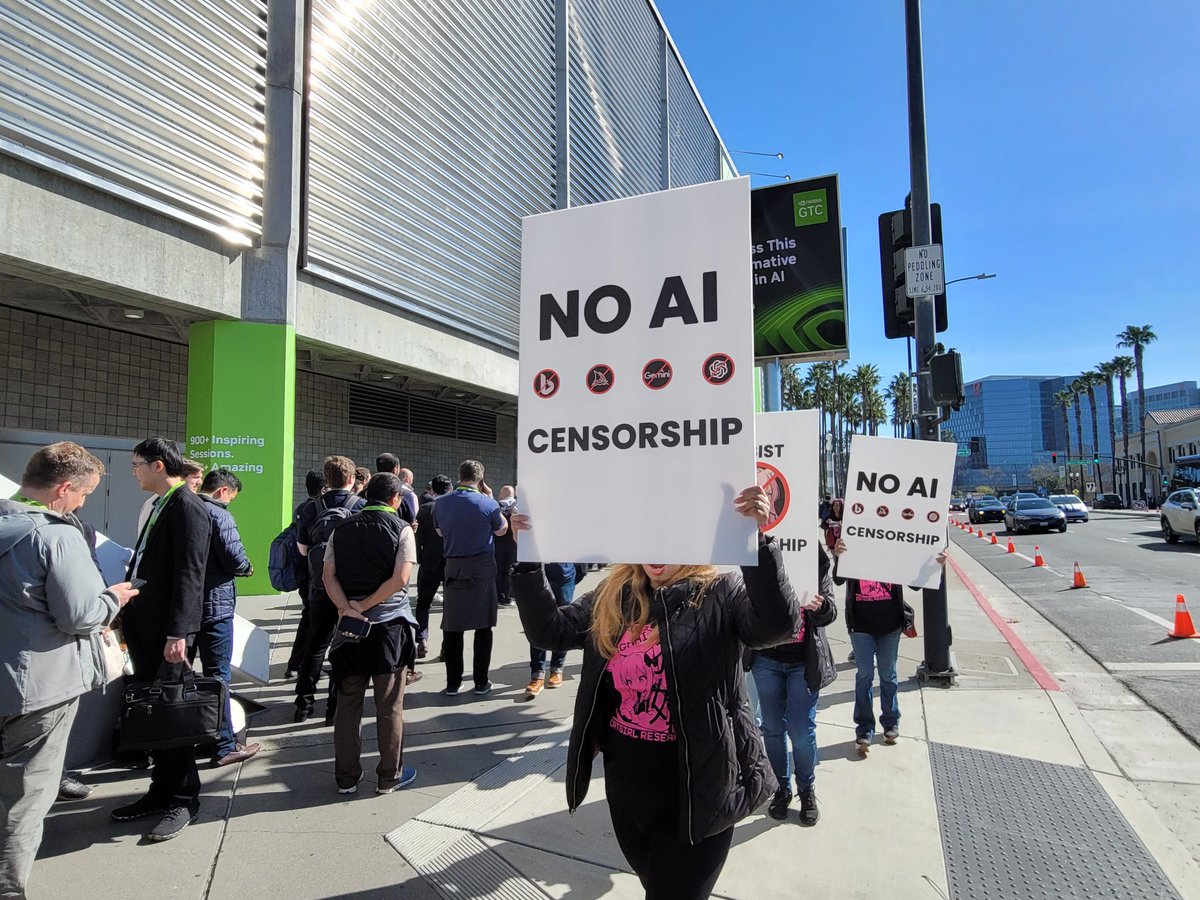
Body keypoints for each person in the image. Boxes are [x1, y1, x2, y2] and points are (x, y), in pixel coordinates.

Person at [510, 486, 800, 900]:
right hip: (628, 784)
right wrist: (528, 562)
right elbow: (549, 631)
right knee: (656, 882)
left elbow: (777, 626)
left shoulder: (721, 592)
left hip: (700, 784)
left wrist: (759, 542)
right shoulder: (614, 595)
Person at [1, 443, 138, 898]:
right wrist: (113, 598)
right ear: (63, 489)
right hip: (36, 687)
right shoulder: (56, 535)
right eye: (83, 495)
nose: (83, 503)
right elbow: (79, 615)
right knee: (24, 798)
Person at [112, 437, 211, 842]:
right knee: (154, 712)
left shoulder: (188, 506)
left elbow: (192, 573)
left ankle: (183, 798)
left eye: (136, 464)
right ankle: (160, 789)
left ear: (157, 465)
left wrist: (180, 633)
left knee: (173, 713)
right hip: (145, 626)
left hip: (167, 632)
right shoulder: (159, 505)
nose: (132, 471)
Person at [323, 473, 419, 794]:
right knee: (389, 706)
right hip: (388, 628)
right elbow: (400, 579)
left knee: (347, 704)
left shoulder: (341, 528)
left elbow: (328, 576)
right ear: (395, 499)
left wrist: (347, 609)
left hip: (349, 630)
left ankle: (346, 778)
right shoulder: (402, 529)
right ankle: (389, 777)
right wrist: (366, 604)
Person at [750, 544, 837, 827]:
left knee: (801, 730)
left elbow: (830, 612)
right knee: (772, 729)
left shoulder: (815, 561)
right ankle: (781, 788)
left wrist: (820, 606)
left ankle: (806, 790)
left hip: (803, 661)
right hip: (766, 658)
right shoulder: (759, 557)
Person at [832, 537, 946, 754]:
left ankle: (890, 723)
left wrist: (935, 566)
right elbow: (838, 580)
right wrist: (838, 557)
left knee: (888, 674)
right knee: (864, 675)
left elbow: (914, 583)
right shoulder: (853, 543)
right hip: (860, 624)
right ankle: (864, 729)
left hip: (890, 625)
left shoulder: (895, 548)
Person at [195, 469, 259, 767]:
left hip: (185, 607)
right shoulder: (220, 516)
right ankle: (223, 745)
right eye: (232, 497)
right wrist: (247, 568)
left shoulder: (179, 509)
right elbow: (235, 557)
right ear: (223, 491)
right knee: (217, 675)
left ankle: (184, 735)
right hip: (215, 606)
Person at [294, 456, 365, 723]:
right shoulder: (361, 506)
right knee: (344, 647)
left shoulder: (311, 508)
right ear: (351, 479)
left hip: (319, 586)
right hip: (350, 590)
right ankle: (333, 708)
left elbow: (302, 550)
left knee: (315, 645)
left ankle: (303, 704)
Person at [432, 460, 507, 696]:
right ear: (480, 479)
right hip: (482, 567)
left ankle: (453, 682)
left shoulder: (440, 503)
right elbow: (501, 529)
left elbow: (439, 531)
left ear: (459, 476)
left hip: (454, 567)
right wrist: (491, 499)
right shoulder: (488, 502)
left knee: (453, 626)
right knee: (483, 626)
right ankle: (481, 681)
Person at [285, 470, 326, 680]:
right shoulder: (319, 509)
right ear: (323, 488)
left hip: (303, 570)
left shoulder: (302, 508)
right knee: (314, 622)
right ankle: (303, 665)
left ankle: (295, 663)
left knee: (308, 618)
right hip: (315, 573)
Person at [414, 474, 452, 659]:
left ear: (433, 490)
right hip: (451, 562)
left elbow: (418, 538)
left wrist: (420, 559)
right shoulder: (455, 508)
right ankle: (447, 645)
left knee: (423, 603)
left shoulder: (425, 509)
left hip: (429, 561)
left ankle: (422, 638)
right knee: (450, 606)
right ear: (450, 489)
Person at [524, 563, 575, 698]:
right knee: (537, 622)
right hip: (538, 574)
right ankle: (537, 674)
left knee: (563, 622)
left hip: (564, 575)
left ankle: (557, 668)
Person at [493, 485, 518, 607]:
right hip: (514, 544)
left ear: (501, 495)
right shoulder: (518, 507)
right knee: (510, 569)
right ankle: (508, 596)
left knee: (497, 569)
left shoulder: (495, 507)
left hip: (497, 543)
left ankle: (497, 595)